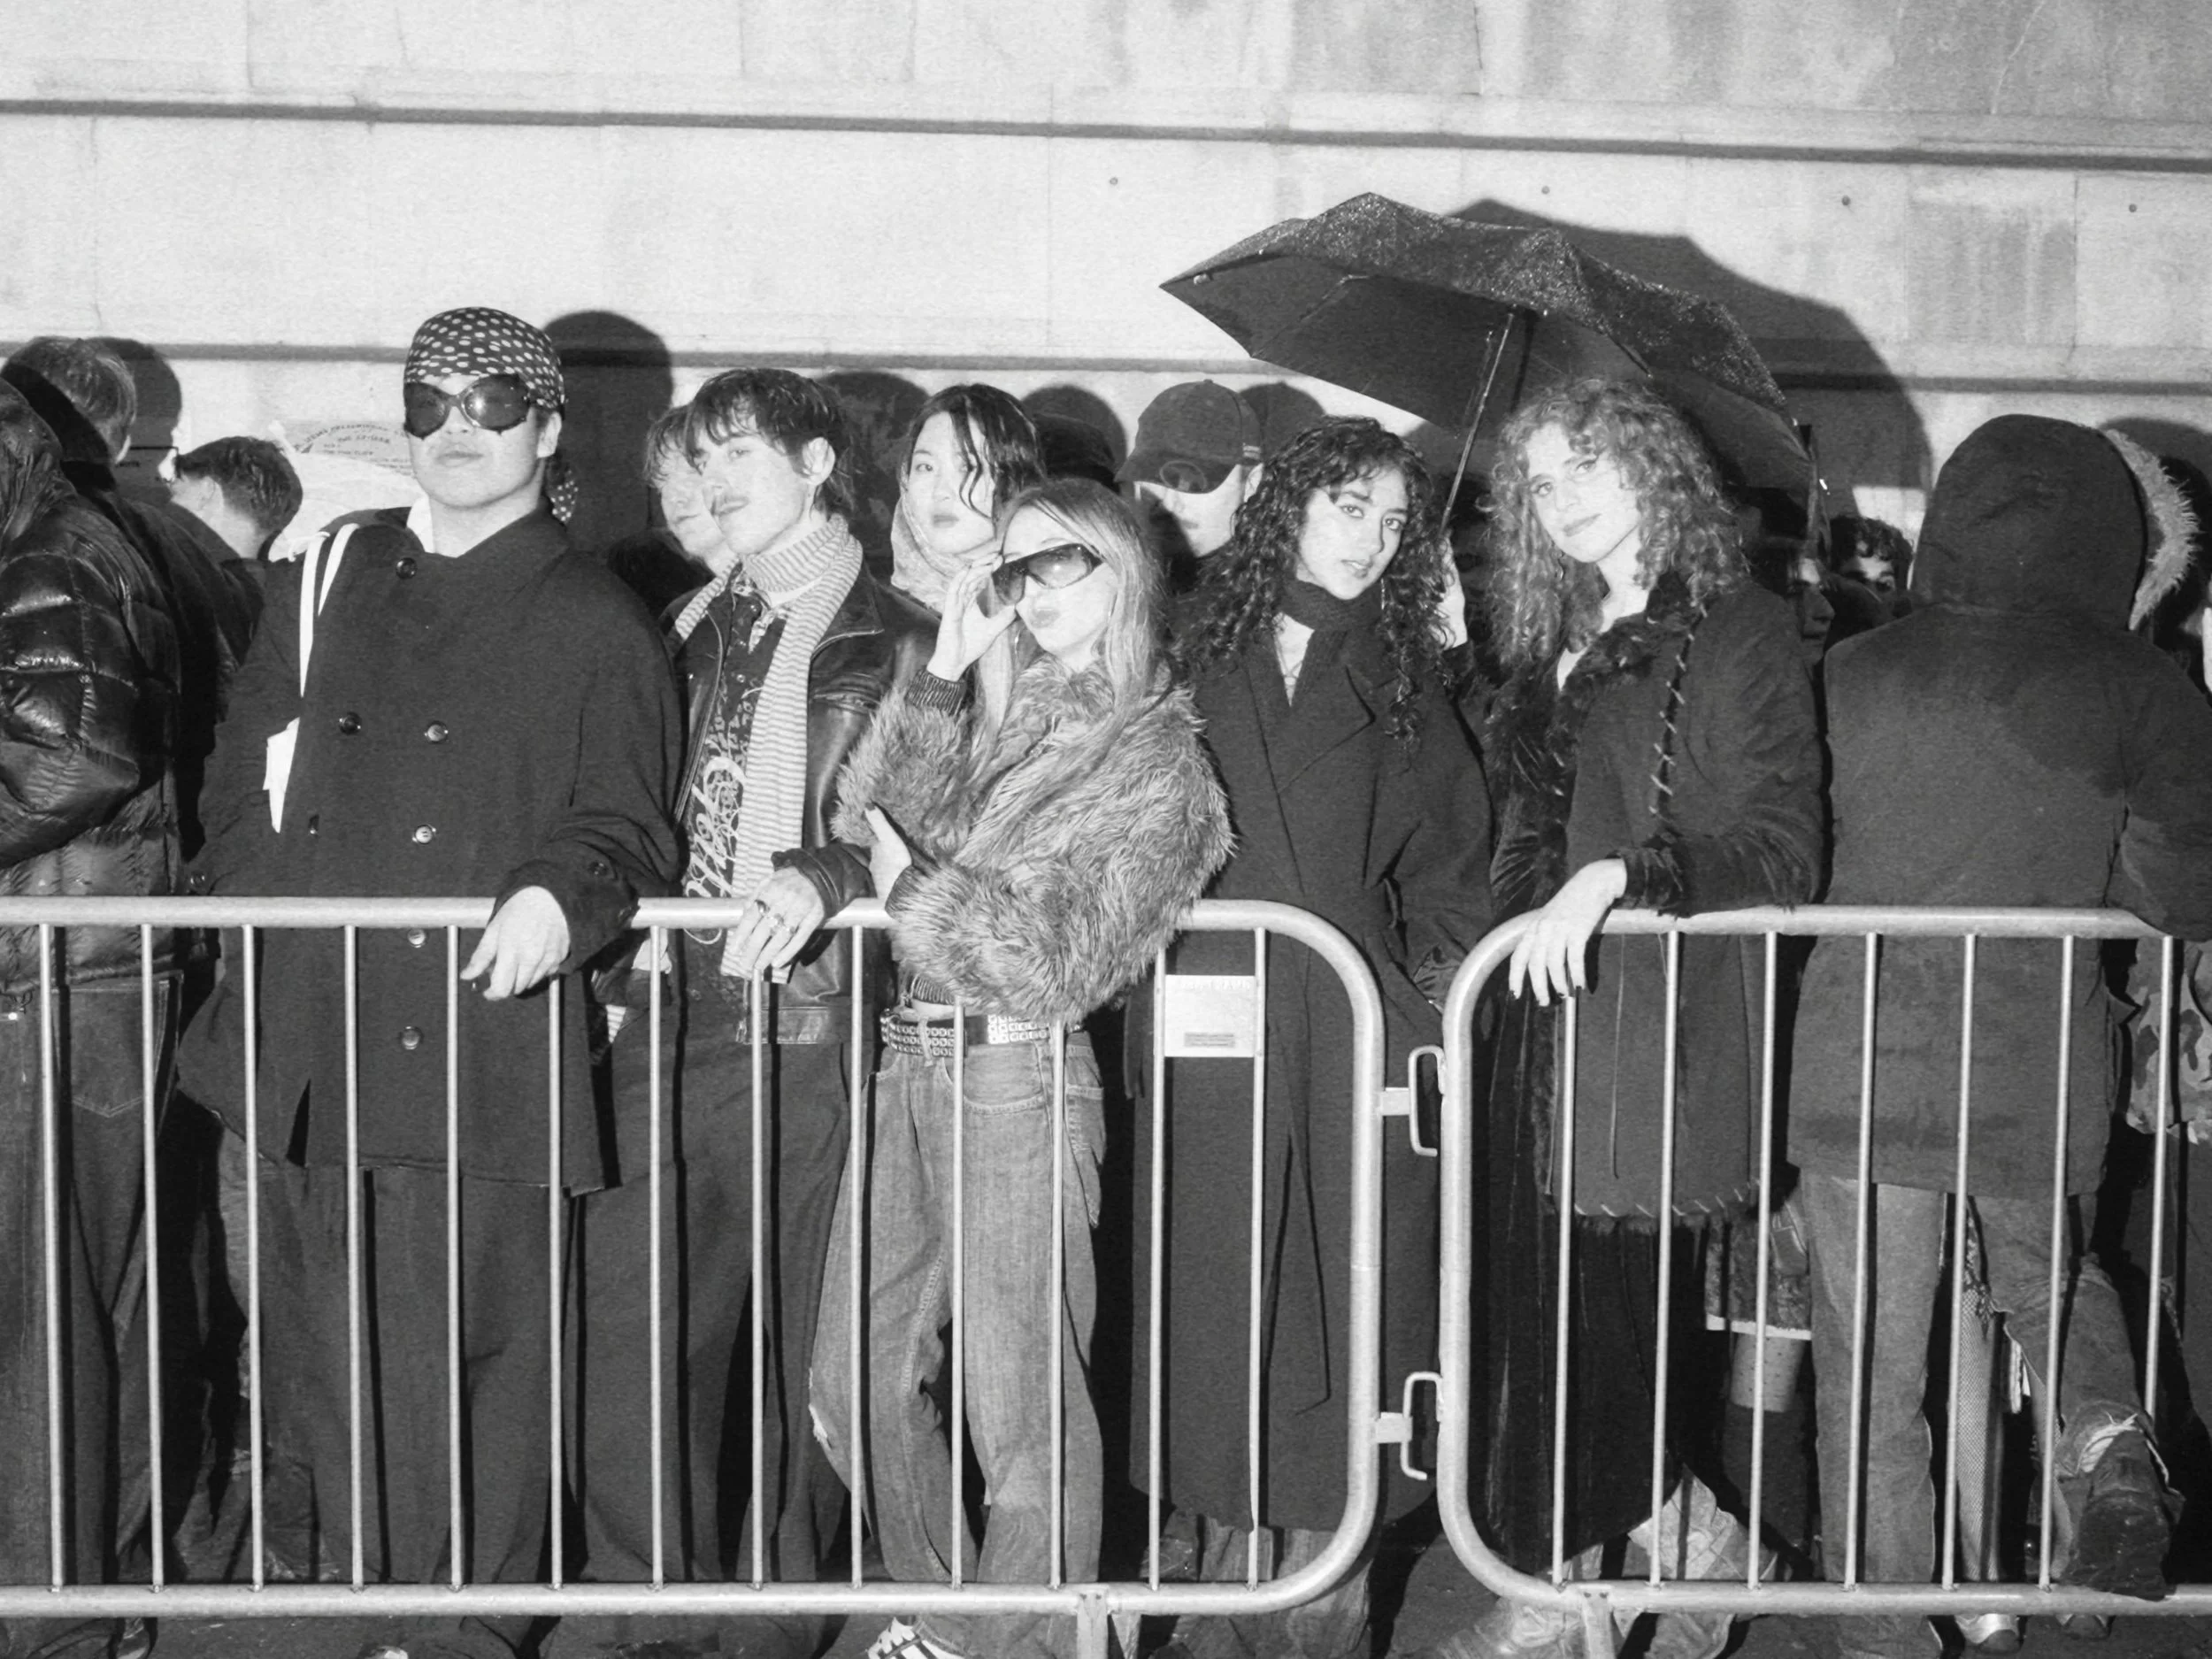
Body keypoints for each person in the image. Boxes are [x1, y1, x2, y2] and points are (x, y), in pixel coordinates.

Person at [177, 306, 684, 1659]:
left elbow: (628, 822)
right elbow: (239, 767)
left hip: (473, 1030)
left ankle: (465, 1627)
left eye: (493, 402)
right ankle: (375, 1606)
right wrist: (268, 919)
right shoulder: (333, 570)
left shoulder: (597, 619)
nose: (458, 428)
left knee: (481, 1356)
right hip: (310, 1024)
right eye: (430, 401)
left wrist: (558, 893)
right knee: (329, 1351)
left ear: (550, 427)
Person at [1788, 415, 2212, 1659]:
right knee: (2049, 1281)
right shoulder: (2141, 684)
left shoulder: (1852, 670)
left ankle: (1881, 1633)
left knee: (1872, 1370)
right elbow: (2183, 888)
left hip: (1860, 1054)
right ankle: (2112, 1450)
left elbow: (1796, 851)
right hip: (2036, 1051)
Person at [809, 478, 1232, 1659]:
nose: (1028, 589)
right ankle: (954, 1615)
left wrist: (915, 889)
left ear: (1121, 570)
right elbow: (865, 823)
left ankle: (1010, 1640)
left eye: (1058, 563)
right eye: (1012, 566)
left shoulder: (1161, 759)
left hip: (1019, 1072)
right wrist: (942, 674)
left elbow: (1052, 964)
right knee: (850, 1378)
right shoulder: (1011, 715)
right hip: (912, 1054)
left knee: (1022, 1407)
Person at [555, 369, 936, 1659]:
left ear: (818, 464)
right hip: (668, 997)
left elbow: (936, 816)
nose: (714, 481)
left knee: (788, 1328)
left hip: (808, 1013)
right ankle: (641, 1593)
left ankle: (772, 1605)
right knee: (639, 1313)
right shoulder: (686, 625)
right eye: (701, 458)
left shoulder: (899, 636)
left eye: (741, 455)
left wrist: (830, 871)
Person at [1450, 379, 1822, 1659]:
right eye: (1541, 482)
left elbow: (1781, 846)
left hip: (1645, 1041)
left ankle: (1558, 1600)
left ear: (1655, 465)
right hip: (1531, 1027)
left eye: (1590, 465)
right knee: (1529, 1330)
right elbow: (1514, 833)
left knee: (1601, 1335)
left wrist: (1622, 876)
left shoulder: (1737, 625)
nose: (1564, 498)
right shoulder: (1544, 636)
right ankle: (1691, 1557)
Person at [1136, 416, 1493, 1659]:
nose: (1371, 541)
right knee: (1216, 1320)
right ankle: (1224, 1600)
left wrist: (1427, 1005)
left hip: (1349, 1035)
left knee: (1349, 1325)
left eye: (1394, 523)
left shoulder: (1407, 678)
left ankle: (1320, 1614)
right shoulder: (1187, 641)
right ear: (1288, 504)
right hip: (1208, 1028)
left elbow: (1455, 872)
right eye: (1351, 507)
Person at [0, 379, 180, 1659]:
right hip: (76, 961)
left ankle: (48, 1614)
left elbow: (70, 755)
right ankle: (82, 1596)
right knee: (72, 1302)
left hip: (54, 970)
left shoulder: (51, 550)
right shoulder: (64, 532)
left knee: (41, 1309)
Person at [3, 337, 261, 859]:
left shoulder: (41, 543)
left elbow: (67, 762)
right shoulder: (189, 549)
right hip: (172, 864)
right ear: (123, 446)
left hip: (58, 876)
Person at [886, 383, 1045, 616]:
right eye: (926, 467)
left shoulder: (1060, 597)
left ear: (1016, 480)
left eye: (969, 467)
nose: (940, 491)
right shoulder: (879, 614)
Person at [1117, 380, 1263, 588]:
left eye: (1193, 480)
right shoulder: (1121, 579)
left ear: (1252, 484)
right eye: (1152, 476)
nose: (1169, 503)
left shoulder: (1273, 595)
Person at [167, 436, 304, 563]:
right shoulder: (275, 580)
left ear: (205, 491)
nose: (169, 503)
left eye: (175, 491)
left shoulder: (180, 578)